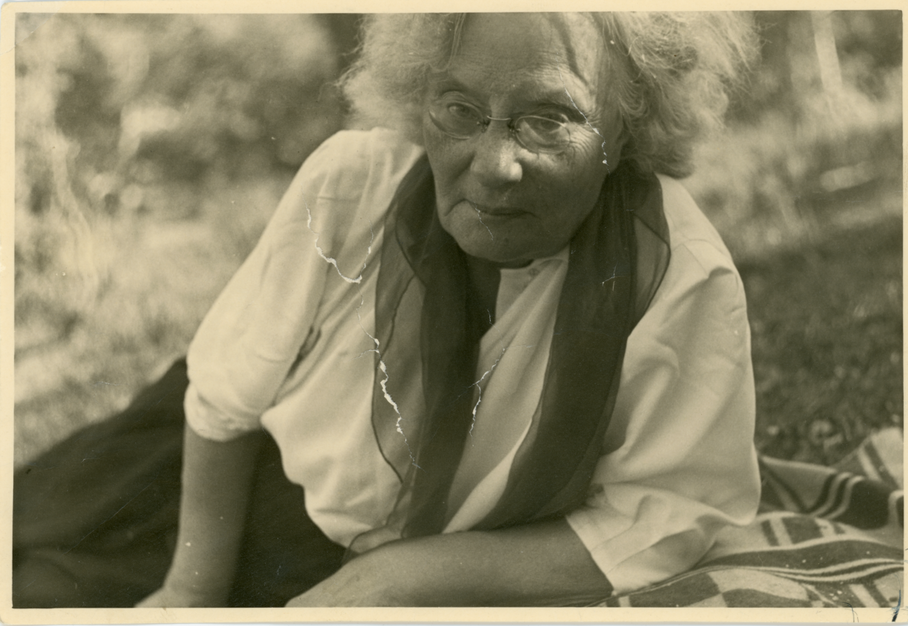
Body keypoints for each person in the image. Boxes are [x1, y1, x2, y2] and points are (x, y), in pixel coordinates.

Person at [14, 12, 761, 607]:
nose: (496, 168)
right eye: (461, 110)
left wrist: (399, 581)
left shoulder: (683, 278)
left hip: (431, 565)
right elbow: (219, 402)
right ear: (421, 97)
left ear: (624, 130)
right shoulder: (354, 183)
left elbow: (668, 515)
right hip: (205, 493)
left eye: (549, 120)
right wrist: (189, 595)